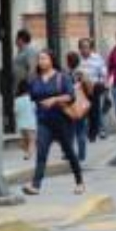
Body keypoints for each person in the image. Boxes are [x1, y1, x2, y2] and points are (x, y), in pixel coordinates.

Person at [22, 49, 84, 196]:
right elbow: (31, 98)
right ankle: (35, 186)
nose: (41, 62)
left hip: (62, 121)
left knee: (69, 152)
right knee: (41, 153)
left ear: (51, 60)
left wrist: (55, 99)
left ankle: (80, 182)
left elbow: (71, 96)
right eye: (40, 59)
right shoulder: (34, 80)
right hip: (44, 122)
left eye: (44, 59)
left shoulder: (61, 77)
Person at [78, 37, 108, 141]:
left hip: (95, 87)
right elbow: (73, 73)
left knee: (94, 110)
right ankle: (84, 131)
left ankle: (92, 133)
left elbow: (103, 72)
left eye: (86, 47)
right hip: (81, 88)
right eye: (82, 48)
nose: (84, 50)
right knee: (84, 111)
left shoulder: (97, 58)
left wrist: (102, 82)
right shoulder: (78, 59)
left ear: (91, 48)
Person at [65, 51, 89, 162]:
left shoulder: (65, 74)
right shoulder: (81, 74)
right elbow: (89, 88)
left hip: (70, 105)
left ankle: (69, 153)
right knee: (81, 130)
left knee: (70, 131)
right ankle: (82, 155)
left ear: (68, 62)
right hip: (81, 105)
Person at [14, 78, 37, 161]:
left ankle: (26, 153)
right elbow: (35, 110)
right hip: (31, 123)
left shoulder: (17, 100)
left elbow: (16, 112)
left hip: (21, 123)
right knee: (32, 140)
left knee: (25, 140)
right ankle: (28, 155)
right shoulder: (31, 99)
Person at [12, 29, 38, 94]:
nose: (15, 41)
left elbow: (32, 68)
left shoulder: (30, 51)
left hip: (25, 88)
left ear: (21, 39)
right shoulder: (21, 51)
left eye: (17, 38)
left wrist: (27, 87)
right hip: (18, 87)